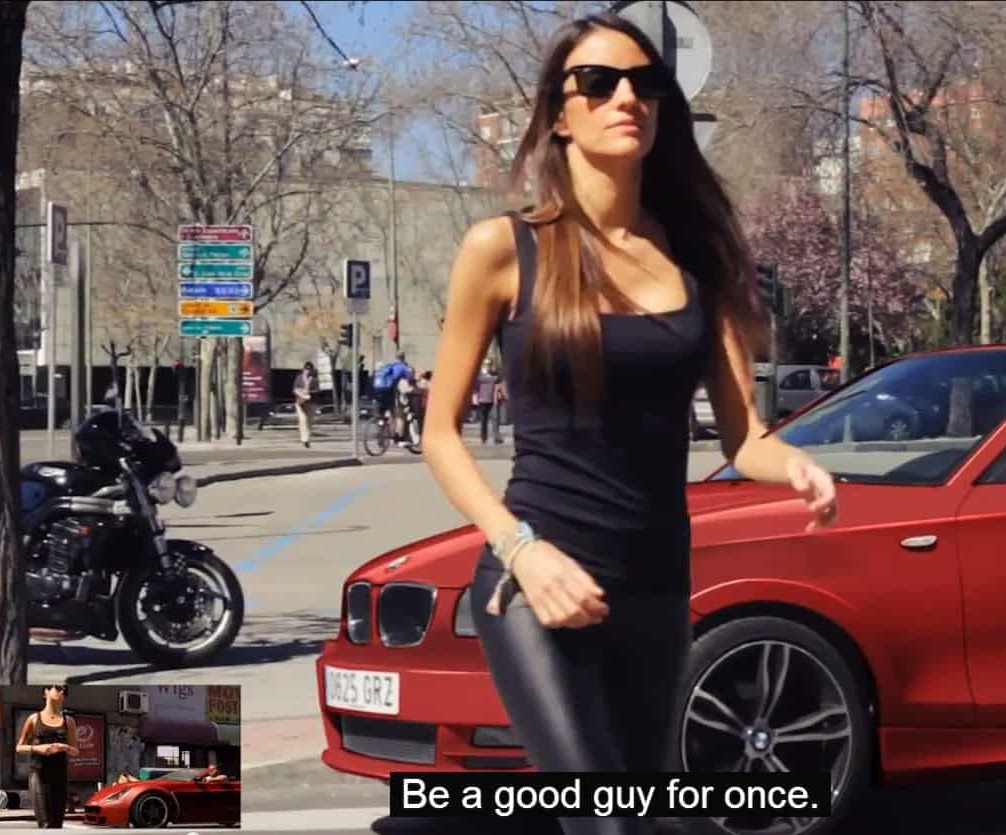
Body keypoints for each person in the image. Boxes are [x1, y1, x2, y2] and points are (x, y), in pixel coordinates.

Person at [417, 14, 838, 835]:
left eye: (645, 84)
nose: (625, 98)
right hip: (538, 578)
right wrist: (520, 548)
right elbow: (440, 432)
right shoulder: (503, 248)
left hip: (655, 586)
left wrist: (795, 464)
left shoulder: (698, 261)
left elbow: (743, 437)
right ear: (559, 114)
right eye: (598, 82)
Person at [16, 684, 78, 829]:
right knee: (45, 823)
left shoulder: (68, 721)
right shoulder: (34, 719)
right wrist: (38, 748)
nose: (61, 692)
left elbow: (75, 751)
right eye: (58, 688)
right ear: (46, 692)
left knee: (57, 823)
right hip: (38, 773)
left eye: (64, 690)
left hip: (60, 776)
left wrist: (64, 747)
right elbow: (19, 747)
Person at [472, 361, 501, 444]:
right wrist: (475, 398)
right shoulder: (479, 377)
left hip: (492, 400)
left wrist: (497, 395)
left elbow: (498, 384)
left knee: (495, 419)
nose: (487, 366)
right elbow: (475, 388)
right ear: (482, 366)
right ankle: (483, 438)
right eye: (485, 364)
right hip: (482, 400)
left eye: (488, 364)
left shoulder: (494, 375)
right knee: (483, 420)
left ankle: (496, 437)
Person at [294, 362, 317, 448]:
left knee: (309, 422)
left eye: (310, 369)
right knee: (302, 420)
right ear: (303, 369)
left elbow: (317, 390)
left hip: (311, 402)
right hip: (300, 402)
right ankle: (304, 439)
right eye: (306, 369)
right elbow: (295, 389)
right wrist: (300, 392)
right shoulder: (299, 378)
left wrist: (309, 392)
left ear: (312, 370)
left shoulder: (314, 380)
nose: (308, 370)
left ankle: (307, 439)